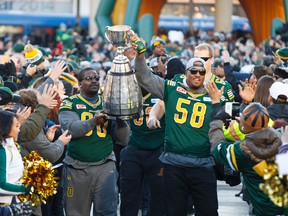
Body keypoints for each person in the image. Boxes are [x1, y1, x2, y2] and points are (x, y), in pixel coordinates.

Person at [132, 33, 218, 216]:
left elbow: (222, 125)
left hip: (202, 163)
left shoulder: (215, 94)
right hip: (173, 163)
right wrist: (140, 54)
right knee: (173, 211)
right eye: (193, 71)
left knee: (209, 211)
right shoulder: (171, 88)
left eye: (201, 71)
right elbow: (144, 76)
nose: (197, 74)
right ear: (185, 72)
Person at [58, 67, 130, 216]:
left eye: (96, 78)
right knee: (75, 212)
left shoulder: (108, 102)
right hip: (76, 166)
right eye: (89, 78)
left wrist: (121, 121)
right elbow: (71, 130)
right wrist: (93, 121)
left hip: (104, 164)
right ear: (79, 84)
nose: (94, 81)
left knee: (108, 212)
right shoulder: (70, 103)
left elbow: (124, 139)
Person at [206, 81, 284, 216]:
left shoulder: (241, 152)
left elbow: (217, 146)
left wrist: (216, 114)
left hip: (261, 210)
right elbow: (258, 127)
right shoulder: (282, 141)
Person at [120, 87, 165, 216]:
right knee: (128, 193)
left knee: (159, 194)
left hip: (158, 149)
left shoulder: (161, 94)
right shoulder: (127, 95)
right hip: (134, 147)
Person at [0, 111, 32, 213]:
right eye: (17, 126)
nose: (19, 130)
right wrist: (27, 188)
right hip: (5, 206)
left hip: (15, 202)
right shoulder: (3, 151)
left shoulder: (12, 146)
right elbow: (1, 185)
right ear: (6, 128)